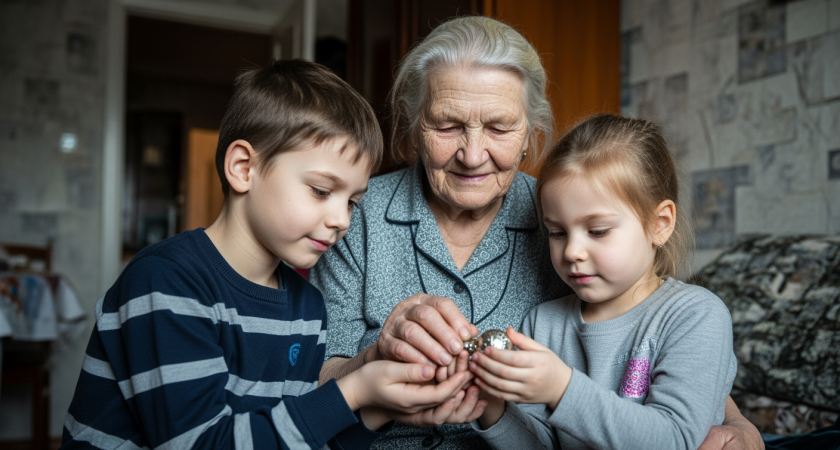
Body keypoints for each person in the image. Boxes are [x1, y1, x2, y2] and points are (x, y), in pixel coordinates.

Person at [312, 16, 763, 450]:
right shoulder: (354, 214)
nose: (472, 155)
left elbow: (652, 353)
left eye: (499, 127)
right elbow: (307, 371)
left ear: (531, 131)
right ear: (414, 125)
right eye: (447, 126)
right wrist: (373, 360)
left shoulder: (562, 208)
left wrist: (737, 421)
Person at [61, 60, 472, 450]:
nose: (341, 220)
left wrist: (380, 409)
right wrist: (352, 390)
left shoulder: (306, 306)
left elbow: (294, 435)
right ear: (243, 168)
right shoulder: (165, 281)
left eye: (352, 202)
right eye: (322, 191)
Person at [468, 113, 737, 449]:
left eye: (598, 231)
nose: (572, 252)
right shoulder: (543, 323)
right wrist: (491, 407)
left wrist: (562, 389)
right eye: (557, 232)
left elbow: (674, 439)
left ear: (661, 224)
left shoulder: (695, 316)